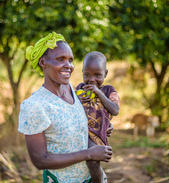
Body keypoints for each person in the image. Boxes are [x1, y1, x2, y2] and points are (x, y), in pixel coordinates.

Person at [18, 32, 113, 183]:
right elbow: (40, 160)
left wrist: (102, 124)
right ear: (43, 62)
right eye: (60, 59)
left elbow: (79, 126)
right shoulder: (34, 106)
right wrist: (89, 154)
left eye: (70, 60)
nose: (68, 65)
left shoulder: (74, 91)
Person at [76, 51, 120, 183]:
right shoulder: (80, 88)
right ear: (82, 72)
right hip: (81, 133)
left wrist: (99, 93)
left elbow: (115, 110)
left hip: (97, 135)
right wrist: (77, 98)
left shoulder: (109, 91)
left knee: (93, 162)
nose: (92, 79)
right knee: (84, 163)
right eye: (87, 74)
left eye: (98, 75)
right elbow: (71, 107)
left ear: (105, 74)